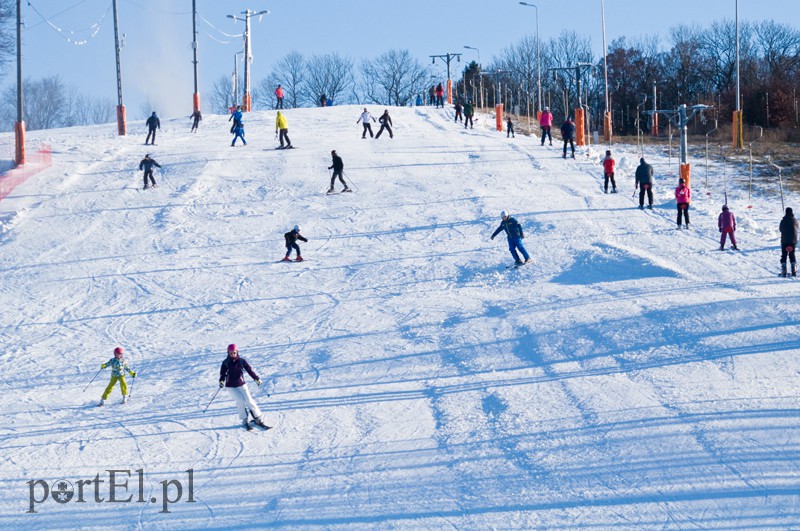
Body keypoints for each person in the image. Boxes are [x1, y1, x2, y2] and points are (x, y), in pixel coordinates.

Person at [219, 344, 268, 431]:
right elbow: (222, 374)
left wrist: (256, 379)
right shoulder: (225, 363)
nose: (232, 354)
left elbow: (250, 370)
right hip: (230, 386)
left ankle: (258, 418)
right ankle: (244, 420)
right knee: (240, 401)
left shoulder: (241, 361)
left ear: (237, 352)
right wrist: (221, 381)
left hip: (241, 384)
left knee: (249, 400)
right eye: (230, 353)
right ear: (228, 353)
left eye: (234, 352)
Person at [779, 207, 798, 277]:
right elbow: (797, 228)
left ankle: (784, 270)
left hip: (784, 241)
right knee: (792, 255)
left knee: (784, 255)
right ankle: (794, 270)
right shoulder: (795, 220)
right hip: (793, 241)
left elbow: (780, 229)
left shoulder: (783, 220)